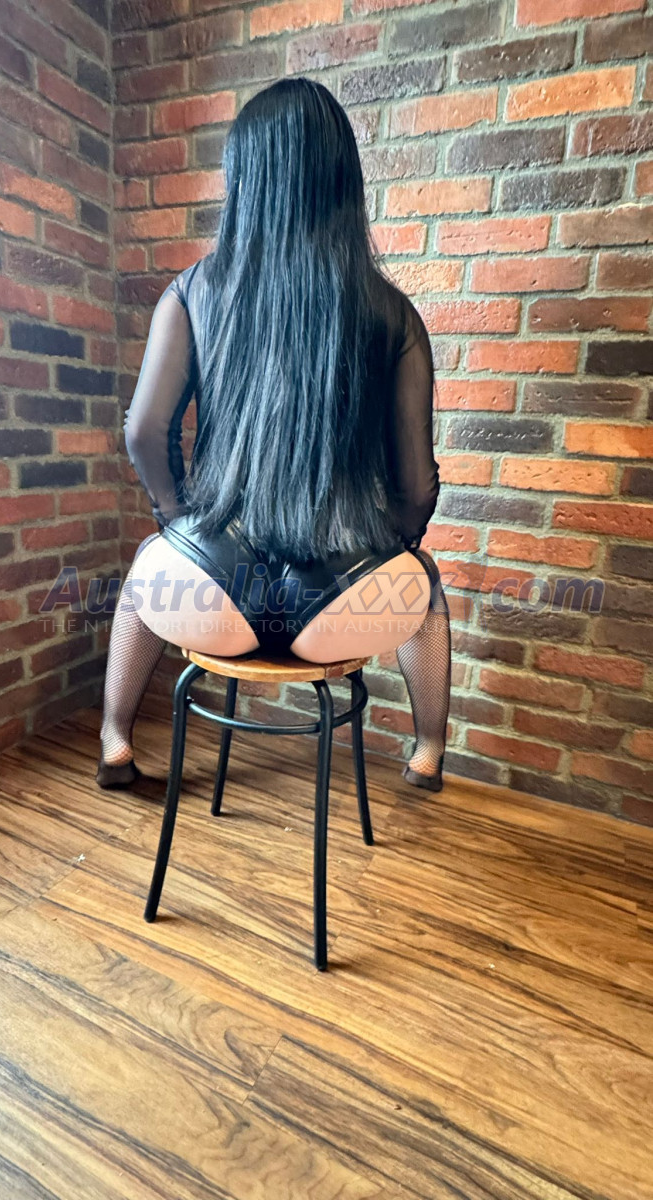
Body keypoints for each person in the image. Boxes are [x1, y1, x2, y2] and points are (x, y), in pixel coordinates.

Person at [96, 77, 451, 794]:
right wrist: (393, 549)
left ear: (244, 178)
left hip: (213, 598)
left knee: (143, 574)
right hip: (344, 607)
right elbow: (416, 487)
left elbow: (143, 433)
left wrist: (180, 526)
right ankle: (426, 756)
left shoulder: (193, 291)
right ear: (342, 178)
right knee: (428, 594)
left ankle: (114, 742)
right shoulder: (391, 313)